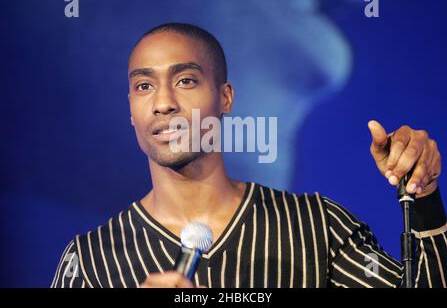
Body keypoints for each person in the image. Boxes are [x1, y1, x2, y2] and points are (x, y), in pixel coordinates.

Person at [51, 23, 446, 288]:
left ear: (225, 98)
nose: (163, 103)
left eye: (186, 80)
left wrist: (423, 196)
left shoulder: (315, 228)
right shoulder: (90, 262)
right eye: (143, 87)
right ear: (131, 110)